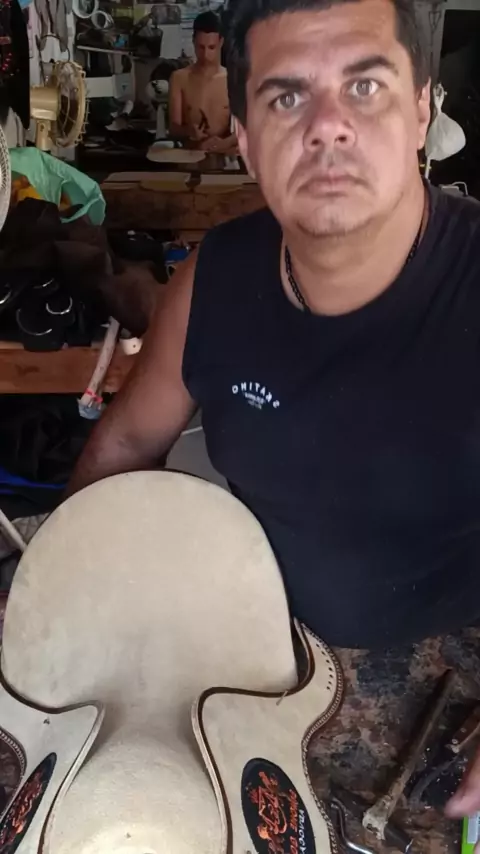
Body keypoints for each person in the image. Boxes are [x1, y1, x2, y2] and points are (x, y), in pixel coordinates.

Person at [67, 0, 480, 815]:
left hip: (453, 685)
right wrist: (74, 597)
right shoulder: (216, 279)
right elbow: (122, 448)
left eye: (365, 86)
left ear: (422, 110)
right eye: (287, 97)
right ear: (247, 139)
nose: (327, 127)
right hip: (257, 654)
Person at [168, 11, 236, 152]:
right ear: (193, 42)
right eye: (200, 47)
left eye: (211, 47)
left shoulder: (232, 79)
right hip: (191, 154)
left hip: (222, 155)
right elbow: (174, 128)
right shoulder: (179, 78)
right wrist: (189, 131)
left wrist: (224, 144)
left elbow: (245, 128)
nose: (205, 55)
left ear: (221, 42)